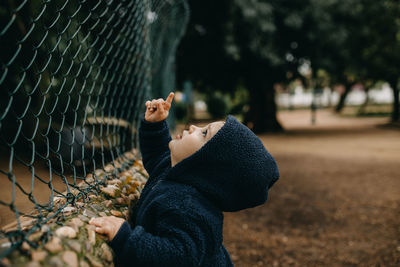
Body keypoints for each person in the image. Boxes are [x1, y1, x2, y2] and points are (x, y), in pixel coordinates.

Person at [89, 92, 280, 266]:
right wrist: (155, 125)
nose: (193, 127)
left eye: (204, 133)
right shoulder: (176, 172)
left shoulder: (189, 208)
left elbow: (177, 257)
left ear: (207, 166)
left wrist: (125, 239)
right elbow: (158, 156)